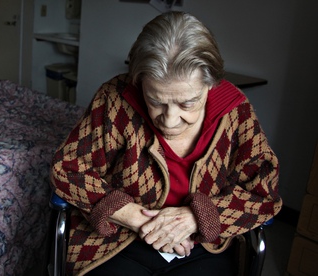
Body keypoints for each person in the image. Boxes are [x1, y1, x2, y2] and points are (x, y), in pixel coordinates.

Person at [50, 11, 282, 276]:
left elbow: (263, 192)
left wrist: (199, 217)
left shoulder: (235, 111)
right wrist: (133, 217)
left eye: (187, 103)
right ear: (139, 83)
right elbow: (67, 168)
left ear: (210, 85)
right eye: (156, 101)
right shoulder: (114, 99)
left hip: (201, 245)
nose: (170, 121)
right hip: (116, 240)